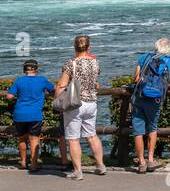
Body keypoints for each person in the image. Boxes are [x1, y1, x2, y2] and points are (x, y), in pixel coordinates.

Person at [54, 35, 105, 181]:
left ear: (74, 47)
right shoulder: (95, 62)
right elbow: (94, 82)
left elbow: (61, 85)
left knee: (73, 139)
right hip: (92, 103)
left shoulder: (71, 63)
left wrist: (57, 99)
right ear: (89, 47)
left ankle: (78, 171)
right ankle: (100, 165)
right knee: (91, 135)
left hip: (75, 103)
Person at [130, 38, 170, 174]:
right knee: (152, 128)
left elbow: (135, 79)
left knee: (138, 131)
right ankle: (151, 160)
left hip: (139, 98)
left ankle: (141, 162)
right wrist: (163, 86)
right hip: (155, 100)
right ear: (169, 49)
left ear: (156, 47)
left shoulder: (144, 58)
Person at [6, 59, 55, 171]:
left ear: (24, 70)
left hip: (20, 114)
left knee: (22, 138)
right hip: (34, 114)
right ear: (36, 69)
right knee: (34, 139)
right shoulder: (42, 80)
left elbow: (9, 96)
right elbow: (53, 90)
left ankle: (23, 162)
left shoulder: (19, 80)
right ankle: (33, 164)